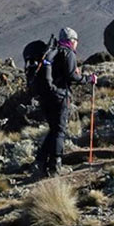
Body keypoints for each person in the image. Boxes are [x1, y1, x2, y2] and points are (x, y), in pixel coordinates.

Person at [34, 27, 93, 176]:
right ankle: (55, 166)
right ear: (71, 41)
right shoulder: (68, 53)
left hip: (46, 95)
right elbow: (72, 76)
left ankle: (41, 162)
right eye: (76, 41)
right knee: (59, 131)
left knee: (54, 129)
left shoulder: (51, 53)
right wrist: (88, 79)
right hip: (60, 96)